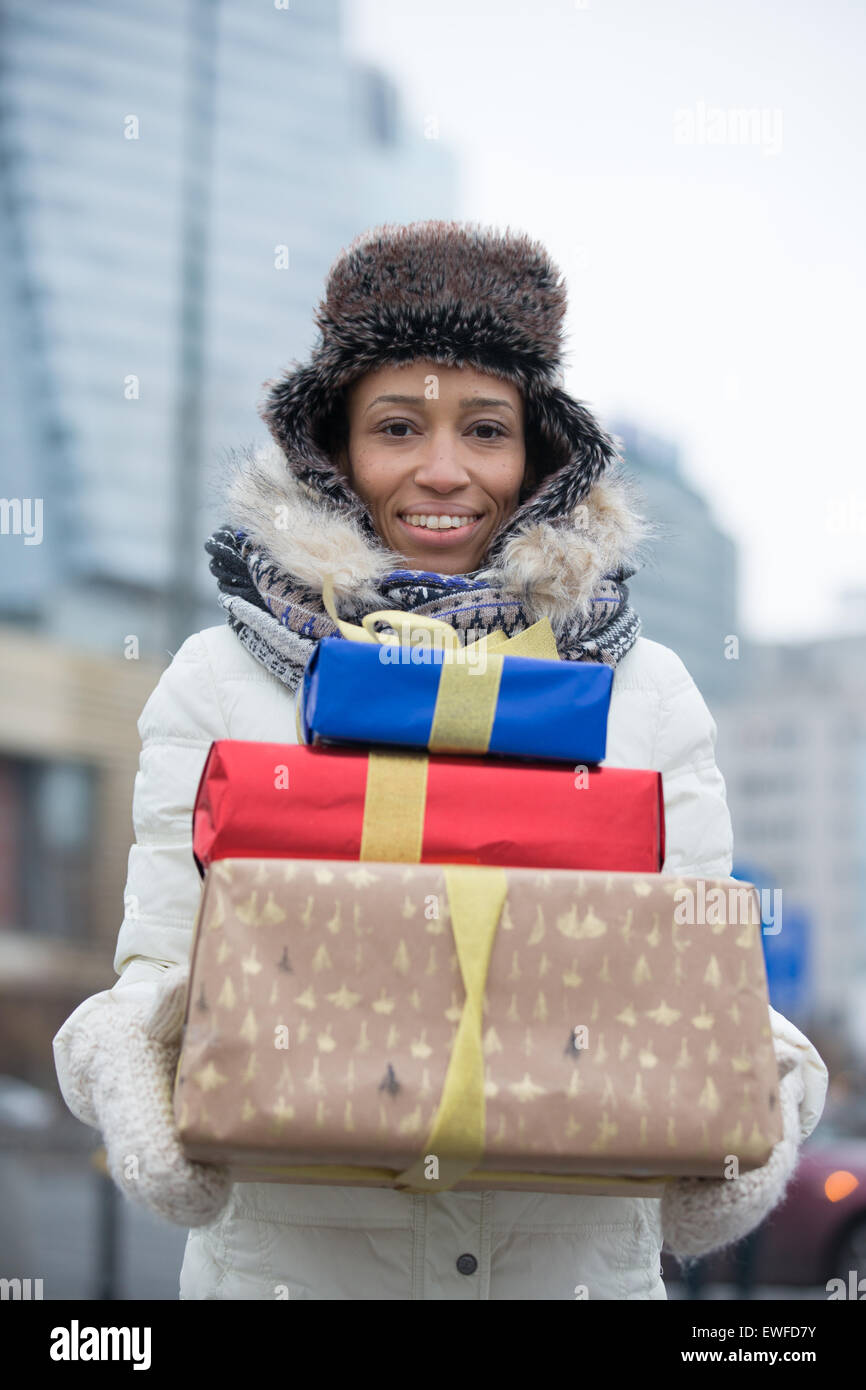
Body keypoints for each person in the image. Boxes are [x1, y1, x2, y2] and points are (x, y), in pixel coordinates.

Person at [53, 220, 829, 1301]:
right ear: (336, 444)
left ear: (538, 452)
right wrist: (126, 1067)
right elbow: (155, 978)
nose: (443, 470)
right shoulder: (218, 679)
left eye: (483, 428)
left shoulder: (643, 691)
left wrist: (769, 1087)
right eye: (397, 426)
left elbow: (702, 971)